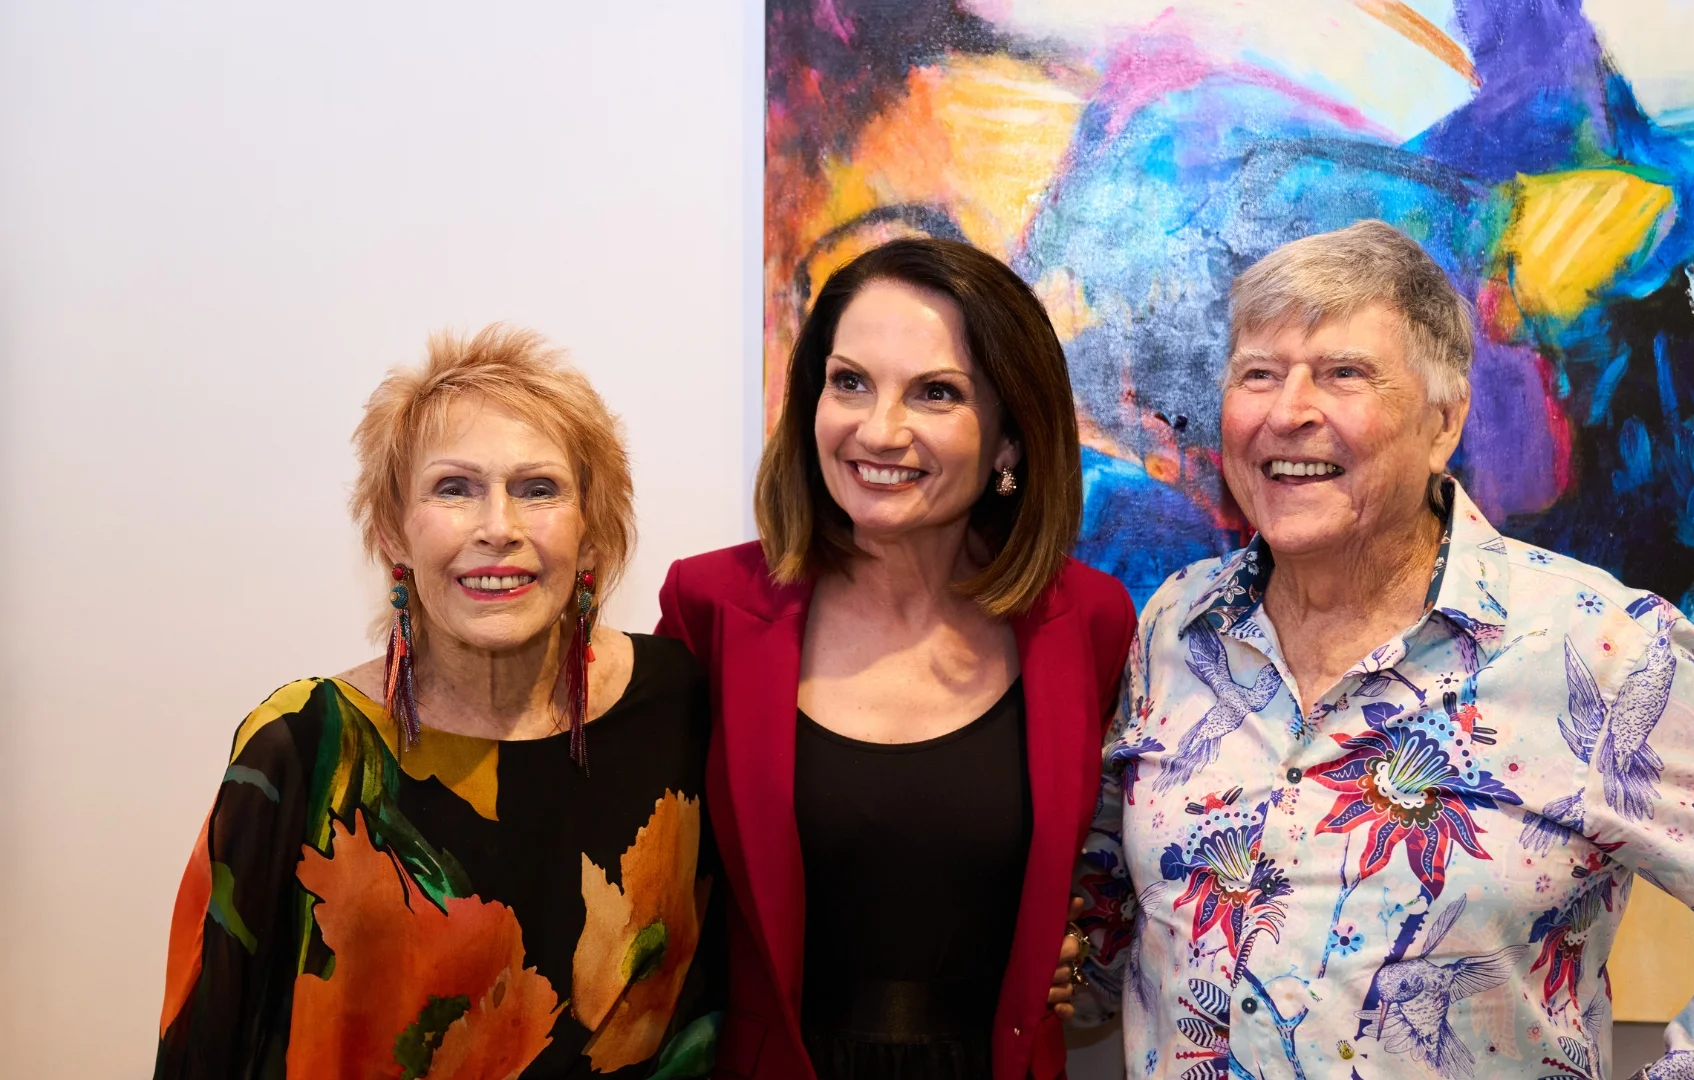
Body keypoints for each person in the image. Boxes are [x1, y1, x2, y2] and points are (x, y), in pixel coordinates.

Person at [1073, 220, 1694, 1080]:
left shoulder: (1598, 649)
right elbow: (1108, 927)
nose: (1287, 412)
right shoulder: (1176, 626)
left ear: (1443, 422)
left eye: (1344, 374)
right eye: (1259, 374)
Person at [155, 326, 722, 1078]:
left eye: (538, 489)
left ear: (591, 533)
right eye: (455, 488)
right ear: (394, 532)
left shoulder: (683, 705)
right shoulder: (305, 746)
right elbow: (207, 1042)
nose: (499, 529)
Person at [656, 237, 1135, 1080]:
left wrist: (1066, 946)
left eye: (936, 393)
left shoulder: (1087, 622)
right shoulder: (710, 609)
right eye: (849, 382)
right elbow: (651, 878)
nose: (878, 430)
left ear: (1009, 440)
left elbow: (1121, 850)